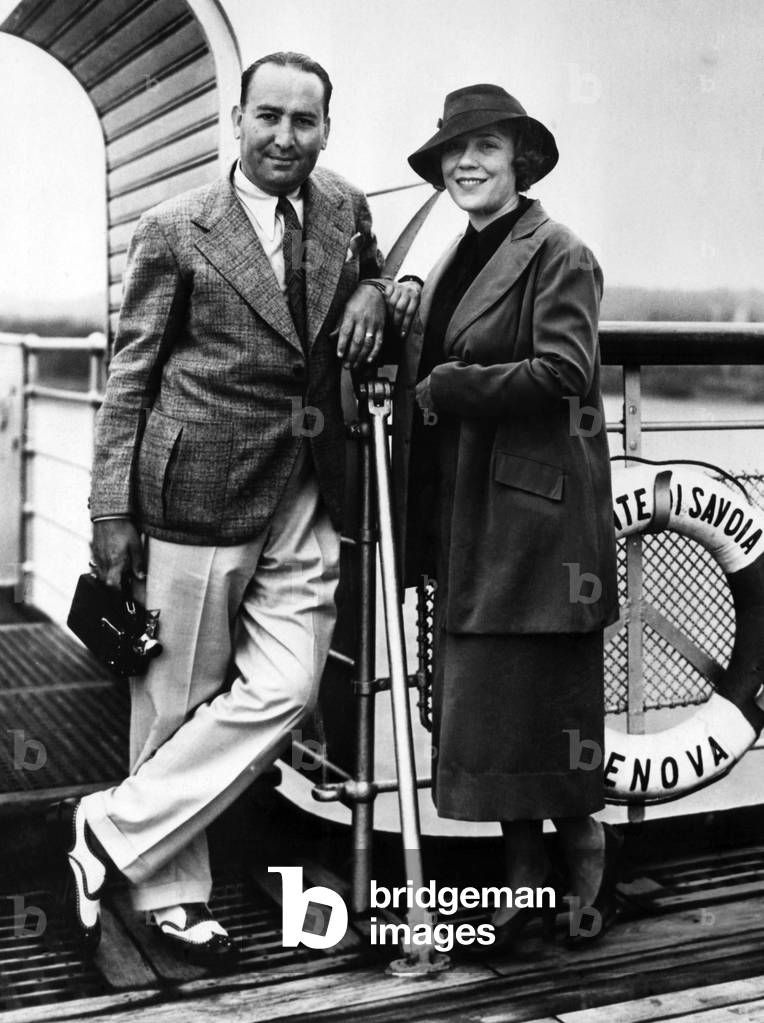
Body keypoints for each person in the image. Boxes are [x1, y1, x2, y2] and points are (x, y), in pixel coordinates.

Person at [65, 51, 397, 964]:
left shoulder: (344, 206)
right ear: (237, 121)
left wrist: (375, 289)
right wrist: (110, 509)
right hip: (193, 491)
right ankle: (170, 895)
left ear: (326, 127)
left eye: (306, 121)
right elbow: (130, 377)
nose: (286, 137)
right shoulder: (175, 228)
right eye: (270, 118)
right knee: (173, 697)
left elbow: (373, 272)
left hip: (302, 483)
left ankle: (110, 828)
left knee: (287, 686)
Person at [391, 84, 620, 950]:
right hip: (466, 515)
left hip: (534, 524)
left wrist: (452, 389)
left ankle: (588, 856)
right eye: (453, 151)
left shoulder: (559, 250)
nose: (467, 162)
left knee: (544, 703)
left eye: (484, 146)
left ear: (519, 158)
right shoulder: (454, 254)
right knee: (487, 714)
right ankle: (524, 887)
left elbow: (565, 369)